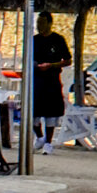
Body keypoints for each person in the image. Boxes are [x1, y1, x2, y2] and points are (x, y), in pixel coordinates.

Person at [31, 12, 69, 151]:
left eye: (42, 23)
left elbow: (67, 60)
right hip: (37, 80)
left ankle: (48, 142)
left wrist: (52, 65)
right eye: (37, 23)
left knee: (51, 114)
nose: (39, 26)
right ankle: (40, 137)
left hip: (52, 80)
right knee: (34, 113)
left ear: (49, 23)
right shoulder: (34, 40)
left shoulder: (58, 40)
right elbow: (28, 57)